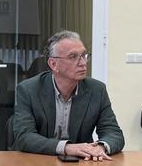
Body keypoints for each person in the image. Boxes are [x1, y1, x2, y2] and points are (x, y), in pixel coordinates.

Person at [9, 30, 124, 159]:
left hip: (80, 163)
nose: (83, 63)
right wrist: (66, 148)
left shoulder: (96, 90)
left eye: (84, 55)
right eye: (73, 57)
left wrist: (100, 147)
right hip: (37, 160)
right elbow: (24, 137)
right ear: (53, 64)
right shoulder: (28, 90)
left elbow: (113, 133)